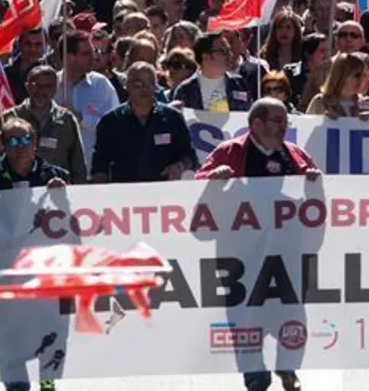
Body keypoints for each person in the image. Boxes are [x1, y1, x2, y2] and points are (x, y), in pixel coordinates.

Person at [196, 98, 320, 391]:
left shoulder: (295, 155)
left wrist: (314, 181)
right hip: (241, 252)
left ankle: (288, 370)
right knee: (243, 314)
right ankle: (254, 374)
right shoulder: (230, 152)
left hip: (285, 250)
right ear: (256, 124)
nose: (283, 127)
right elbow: (196, 185)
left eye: (285, 122)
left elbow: (315, 191)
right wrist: (213, 180)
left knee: (292, 310)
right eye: (277, 121)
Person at [91, 62, 196, 184]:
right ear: (126, 86)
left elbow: (190, 156)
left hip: (164, 195)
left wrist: (179, 166)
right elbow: (100, 166)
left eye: (150, 84)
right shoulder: (110, 122)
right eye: (138, 85)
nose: (144, 89)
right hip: (123, 197)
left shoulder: (173, 118)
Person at [0, 65, 87, 183]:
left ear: (55, 88)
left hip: (55, 191)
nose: (41, 91)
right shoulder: (8, 117)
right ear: (27, 86)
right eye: (36, 85)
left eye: (47, 86)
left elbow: (78, 165)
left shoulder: (67, 120)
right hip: (14, 191)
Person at [54, 30, 120, 168]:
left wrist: (81, 118)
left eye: (93, 51)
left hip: (94, 170)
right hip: (59, 172)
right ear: (69, 58)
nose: (94, 57)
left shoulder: (101, 85)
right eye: (86, 54)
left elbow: (115, 125)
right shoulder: (51, 85)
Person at [0, 118, 69, 192]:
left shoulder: (58, 176)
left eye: (25, 140)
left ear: (34, 142)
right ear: (3, 145)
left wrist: (62, 194)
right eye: (13, 141)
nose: (20, 146)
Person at [172, 32, 253, 112]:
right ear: (206, 57)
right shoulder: (185, 91)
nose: (230, 55)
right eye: (224, 51)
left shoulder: (239, 84)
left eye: (229, 50)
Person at [306, 51, 369, 119]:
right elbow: (305, 130)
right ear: (341, 76)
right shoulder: (320, 102)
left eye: (364, 75)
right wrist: (322, 122)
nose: (362, 80)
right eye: (357, 75)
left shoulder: (368, 103)